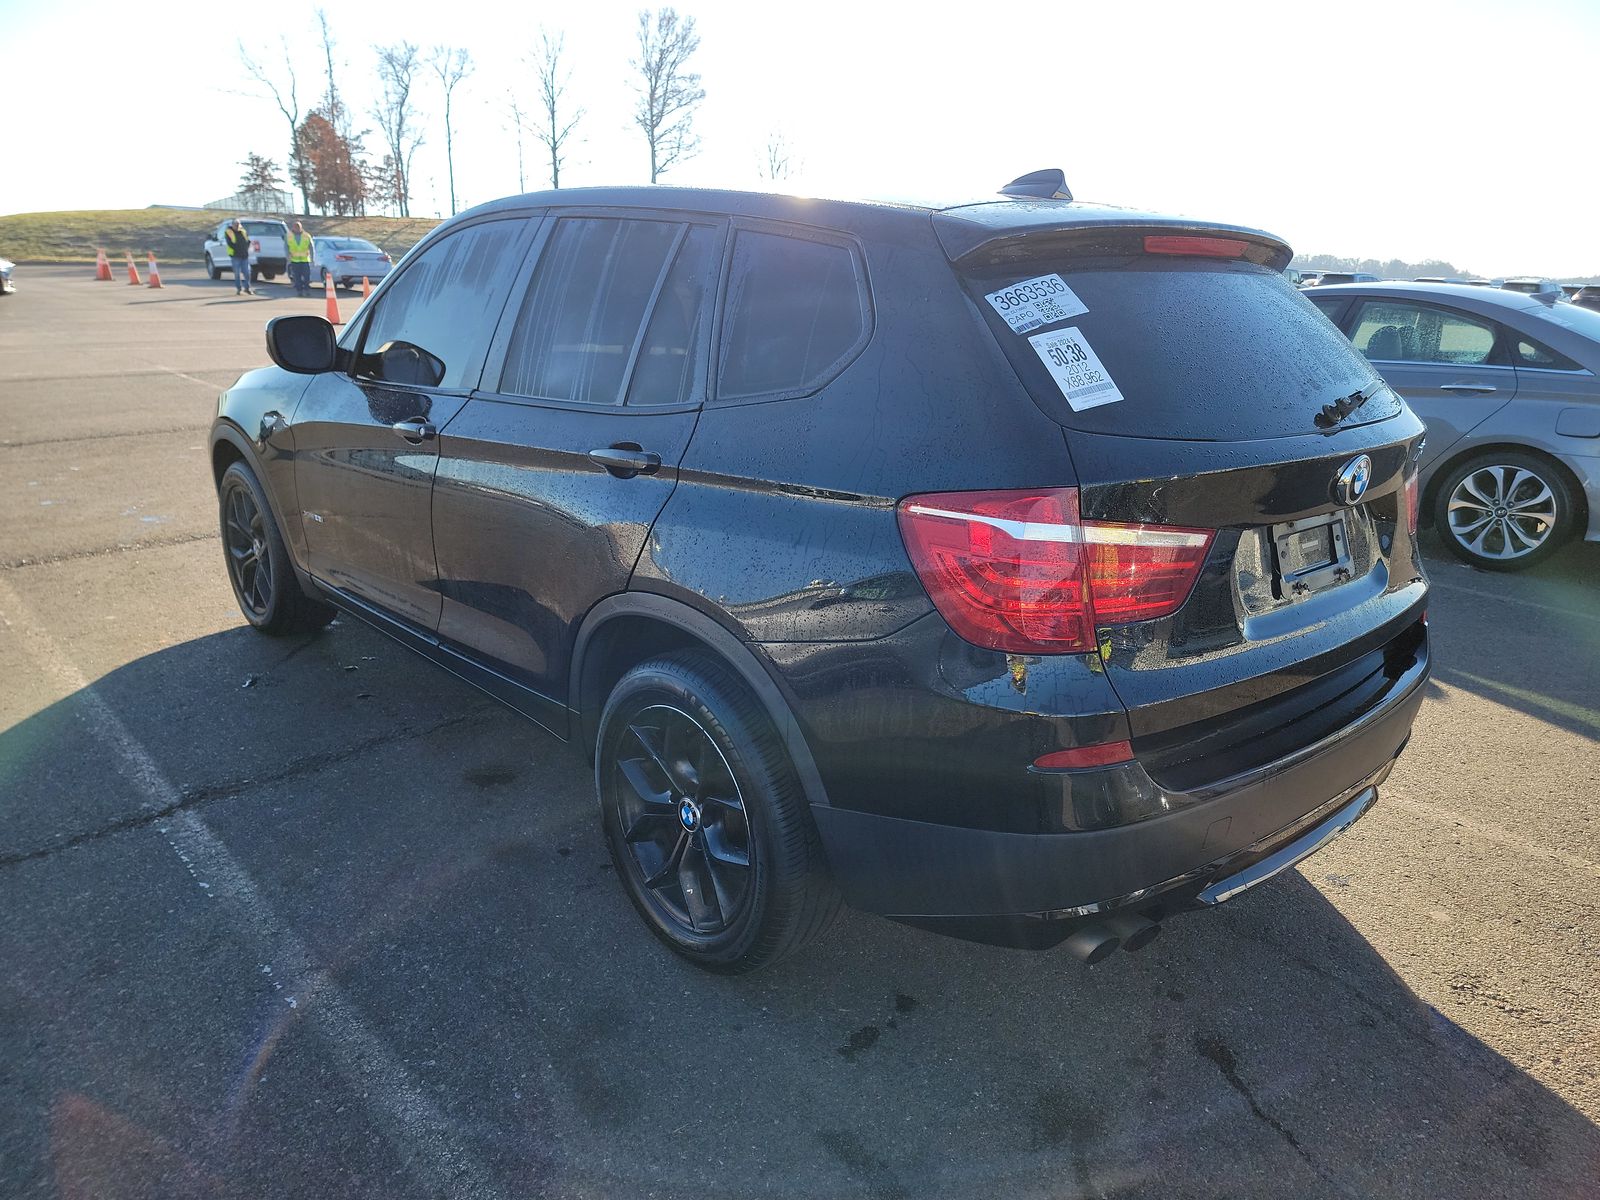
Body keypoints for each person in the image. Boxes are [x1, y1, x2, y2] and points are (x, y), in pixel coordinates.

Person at [286, 221, 315, 297]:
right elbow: (286, 247)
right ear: (293, 228)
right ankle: (299, 291)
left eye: (298, 227)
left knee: (306, 276)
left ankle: (307, 290)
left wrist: (312, 258)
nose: (297, 229)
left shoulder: (307, 236)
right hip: (294, 260)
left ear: (301, 227)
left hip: (305, 260)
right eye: (296, 227)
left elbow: (311, 247)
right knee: (297, 277)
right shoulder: (289, 236)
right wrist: (288, 258)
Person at [224, 218, 252, 295]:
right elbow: (230, 243)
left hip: (244, 255)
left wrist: (246, 249)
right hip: (235, 256)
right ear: (232, 225)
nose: (237, 226)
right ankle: (239, 289)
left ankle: (247, 288)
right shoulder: (228, 232)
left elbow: (248, 241)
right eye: (235, 224)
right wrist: (238, 249)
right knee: (237, 273)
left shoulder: (243, 231)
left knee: (247, 273)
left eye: (238, 224)